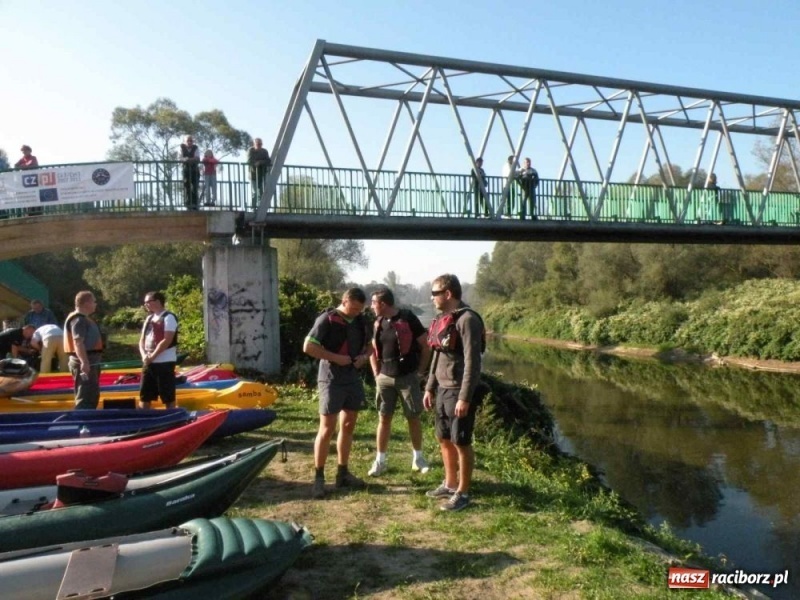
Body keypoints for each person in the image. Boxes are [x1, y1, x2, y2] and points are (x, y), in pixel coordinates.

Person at [423, 274, 486, 512]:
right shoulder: (444, 318)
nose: (432, 298)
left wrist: (465, 397)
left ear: (448, 294)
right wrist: (430, 387)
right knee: (444, 439)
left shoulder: (468, 319)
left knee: (461, 441)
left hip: (458, 390)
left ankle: (463, 492)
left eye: (434, 293)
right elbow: (437, 354)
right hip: (442, 390)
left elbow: (473, 362)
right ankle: (450, 484)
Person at [303, 288, 371, 499]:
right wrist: (335, 357)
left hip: (352, 378)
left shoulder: (361, 320)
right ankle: (319, 478)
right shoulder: (327, 319)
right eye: (354, 308)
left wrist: (364, 357)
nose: (357, 312)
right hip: (331, 378)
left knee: (348, 424)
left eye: (360, 309)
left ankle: (343, 473)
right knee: (327, 428)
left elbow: (370, 346)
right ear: (344, 301)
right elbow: (308, 347)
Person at [367, 287, 432, 477]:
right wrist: (376, 373)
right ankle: (380, 461)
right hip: (384, 379)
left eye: (373, 303)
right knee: (383, 418)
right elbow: (372, 348)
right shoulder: (378, 322)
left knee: (413, 417)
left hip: (407, 378)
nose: (371, 306)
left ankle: (418, 459)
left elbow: (426, 345)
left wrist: (420, 372)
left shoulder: (408, 317)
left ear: (383, 304)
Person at [138, 291, 179, 409]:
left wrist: (153, 356)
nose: (146, 305)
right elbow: (141, 340)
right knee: (145, 395)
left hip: (164, 363)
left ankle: (172, 418)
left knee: (168, 395)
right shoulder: (149, 318)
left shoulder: (169, 317)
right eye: (145, 302)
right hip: (149, 362)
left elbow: (167, 340)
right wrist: (144, 356)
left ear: (157, 302)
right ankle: (143, 420)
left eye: (148, 302)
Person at [64, 291, 103, 409]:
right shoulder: (79, 320)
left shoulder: (82, 318)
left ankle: (88, 418)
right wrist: (84, 362)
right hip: (85, 360)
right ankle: (83, 421)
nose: (96, 304)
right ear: (87, 303)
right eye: (94, 301)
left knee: (91, 393)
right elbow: (78, 342)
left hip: (90, 360)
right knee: (86, 395)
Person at [247, 137, 272, 209]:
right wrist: (256, 163)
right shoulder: (250, 151)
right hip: (253, 175)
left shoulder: (264, 151)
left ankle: (261, 207)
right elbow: (249, 161)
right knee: (254, 192)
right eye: (258, 144)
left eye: (261, 144)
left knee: (262, 191)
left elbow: (268, 161)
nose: (259, 145)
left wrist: (260, 162)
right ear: (254, 144)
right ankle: (253, 207)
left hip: (262, 174)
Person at [179, 135, 201, 210]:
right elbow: (181, 158)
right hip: (186, 170)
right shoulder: (181, 147)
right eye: (188, 140)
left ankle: (195, 205)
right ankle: (188, 204)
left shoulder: (196, 148)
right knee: (187, 187)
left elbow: (197, 159)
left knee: (195, 187)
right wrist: (191, 159)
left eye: (191, 140)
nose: (189, 142)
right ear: (185, 142)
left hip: (195, 170)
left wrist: (188, 159)